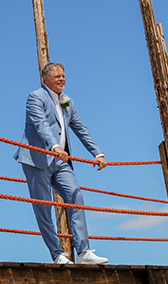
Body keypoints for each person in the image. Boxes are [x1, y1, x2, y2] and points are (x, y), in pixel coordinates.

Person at [13, 62, 110, 265]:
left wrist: (98, 153)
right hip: (37, 159)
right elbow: (41, 125)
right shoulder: (35, 97)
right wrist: (55, 146)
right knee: (44, 207)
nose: (62, 79)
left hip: (62, 161)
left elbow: (80, 127)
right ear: (45, 79)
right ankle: (57, 254)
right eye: (57, 76)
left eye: (63, 76)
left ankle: (83, 252)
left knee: (76, 196)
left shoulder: (67, 101)